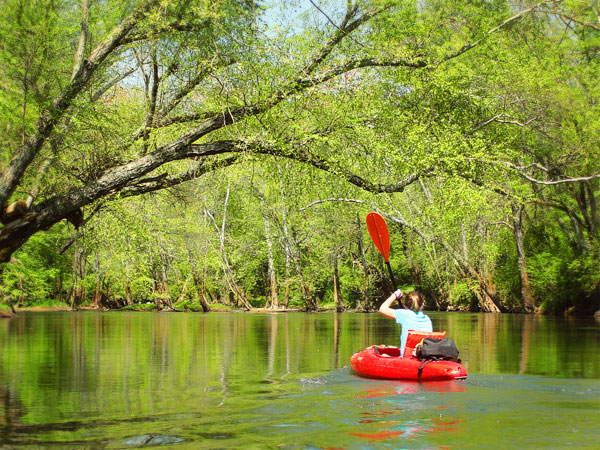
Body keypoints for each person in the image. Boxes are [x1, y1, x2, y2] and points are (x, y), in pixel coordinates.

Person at [379, 289, 432, 357]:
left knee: (384, 355)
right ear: (423, 304)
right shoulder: (427, 319)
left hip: (407, 357)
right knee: (391, 347)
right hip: (424, 356)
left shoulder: (403, 314)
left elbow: (382, 309)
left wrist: (395, 295)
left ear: (405, 305)